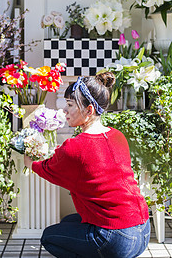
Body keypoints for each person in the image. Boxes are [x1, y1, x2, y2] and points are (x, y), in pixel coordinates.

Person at [24, 72, 150, 258]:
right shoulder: (118, 136)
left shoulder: (75, 147)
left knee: (49, 237)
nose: (64, 111)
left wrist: (30, 162)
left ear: (89, 110)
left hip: (116, 239)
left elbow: (47, 169)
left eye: (69, 105)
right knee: (69, 221)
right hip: (143, 231)